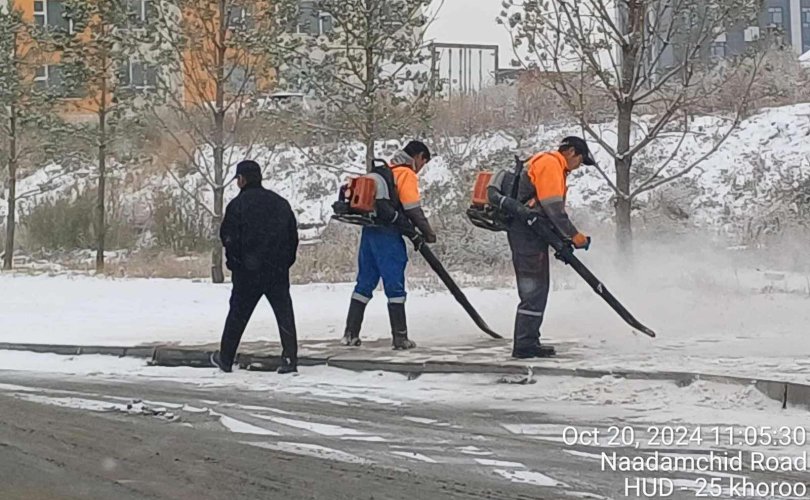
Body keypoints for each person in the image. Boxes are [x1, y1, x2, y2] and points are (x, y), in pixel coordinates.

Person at [340, 140, 436, 350]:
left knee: (364, 283)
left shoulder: (387, 170)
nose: (420, 169)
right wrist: (426, 232)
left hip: (370, 231)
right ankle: (400, 338)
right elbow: (412, 208)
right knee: (395, 284)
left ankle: (350, 333)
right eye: (423, 163)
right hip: (388, 234)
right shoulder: (405, 173)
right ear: (419, 157)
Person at [506, 136, 594, 359]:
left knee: (537, 288)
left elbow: (544, 211)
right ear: (572, 152)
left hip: (531, 233)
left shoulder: (550, 164)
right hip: (526, 234)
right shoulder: (551, 163)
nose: (578, 167)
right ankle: (525, 345)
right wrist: (574, 236)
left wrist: (561, 239)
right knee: (533, 289)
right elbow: (553, 208)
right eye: (580, 161)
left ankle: (529, 340)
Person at [211, 160, 300, 374]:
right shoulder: (280, 203)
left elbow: (228, 238)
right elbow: (292, 237)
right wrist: (285, 262)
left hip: (247, 273)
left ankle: (225, 358)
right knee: (284, 314)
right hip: (277, 271)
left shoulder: (237, 205)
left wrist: (235, 264)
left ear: (241, 179)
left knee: (237, 315)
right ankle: (289, 358)